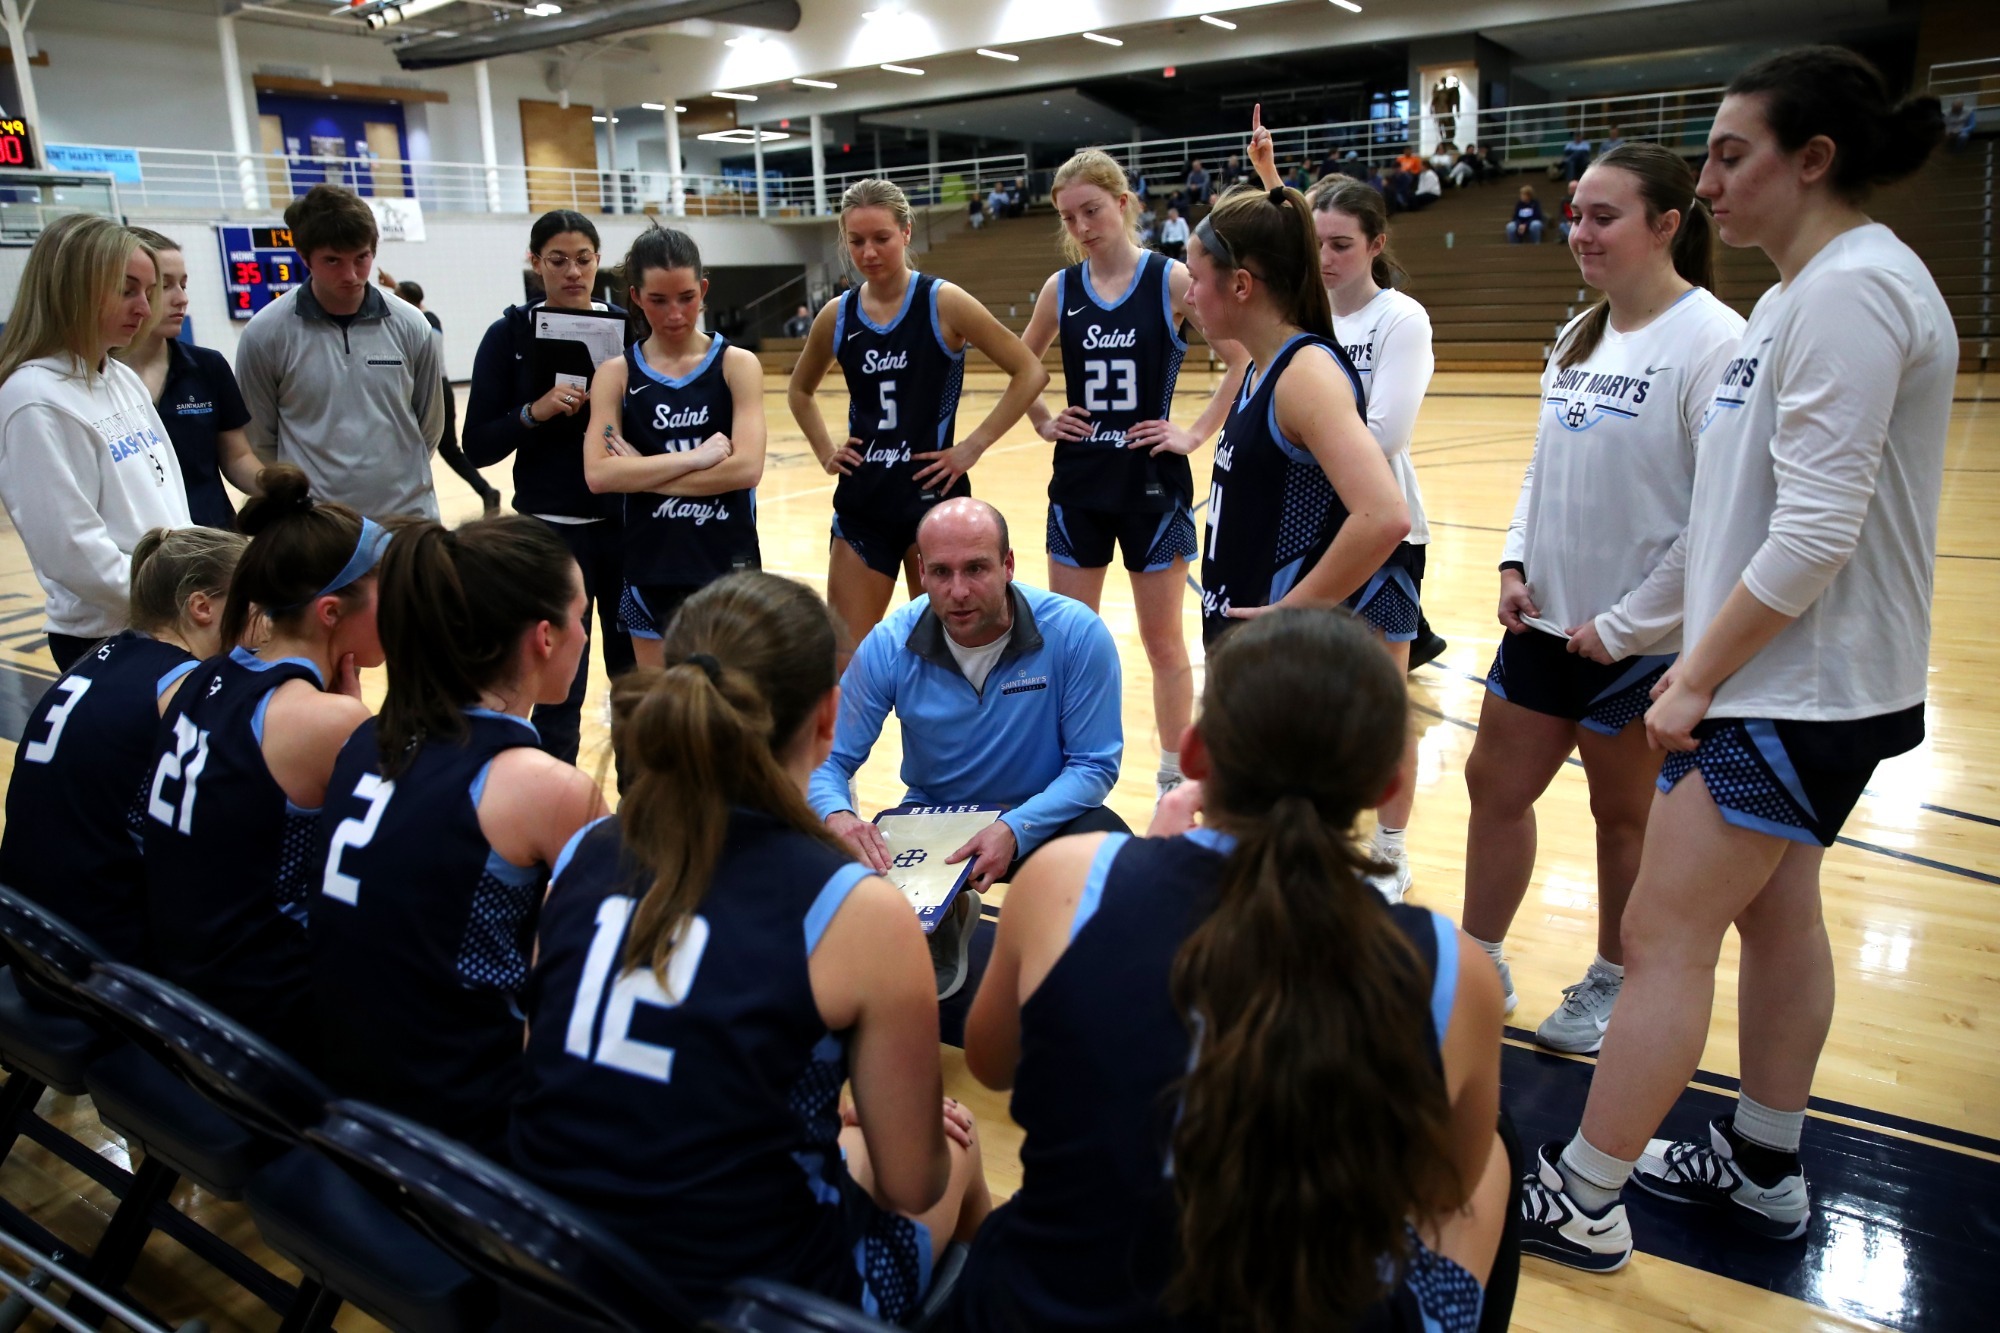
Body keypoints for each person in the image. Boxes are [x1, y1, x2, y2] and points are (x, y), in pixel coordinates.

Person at [1520, 46, 1956, 1273]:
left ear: (1810, 159)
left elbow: (1815, 528)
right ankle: (1762, 1166)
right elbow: (1732, 510)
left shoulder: (1852, 291)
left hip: (1789, 690)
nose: (1705, 181)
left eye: (1728, 153)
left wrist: (1696, 673)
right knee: (1776, 919)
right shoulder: (1793, 296)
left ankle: (1585, 1193)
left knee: (1661, 932)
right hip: (1789, 685)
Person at [957, 608, 1514, 1333]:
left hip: (1038, 1309)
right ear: (1387, 786)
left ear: (1192, 753)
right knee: (1494, 1152)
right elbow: (1438, 1186)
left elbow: (993, 1064)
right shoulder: (1450, 966)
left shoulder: (1068, 878)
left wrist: (1137, 866)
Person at [509, 572, 991, 1319]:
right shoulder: (859, 910)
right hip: (746, 1305)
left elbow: (552, 1061)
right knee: (960, 1154)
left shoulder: (583, 849)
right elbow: (911, 1184)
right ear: (829, 718)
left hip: (552, 1266)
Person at [1462, 144, 1744, 1053]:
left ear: (1668, 224)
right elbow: (1547, 465)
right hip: (1546, 623)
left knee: (1621, 819)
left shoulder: (1715, 341)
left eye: (1602, 216)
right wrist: (1513, 561)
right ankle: (1479, 959)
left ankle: (1613, 978)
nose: (1579, 232)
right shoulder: (1580, 333)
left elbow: (1716, 519)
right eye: (1576, 214)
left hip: (1642, 646)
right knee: (1492, 787)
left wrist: (1626, 625)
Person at [312, 516, 604, 1153]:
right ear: (546, 638)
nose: (589, 633)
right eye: (583, 615)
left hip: (338, 1084)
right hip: (454, 1123)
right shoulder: (544, 788)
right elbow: (594, 983)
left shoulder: (363, 736)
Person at [808, 499, 1126, 1000]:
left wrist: (1013, 830)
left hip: (1040, 818)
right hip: (933, 823)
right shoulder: (890, 644)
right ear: (921, 571)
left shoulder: (1074, 634)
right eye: (941, 572)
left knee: (1111, 854)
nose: (957, 592)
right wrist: (837, 818)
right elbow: (826, 758)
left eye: (976, 569)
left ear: (1008, 566)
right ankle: (943, 914)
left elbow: (1093, 766)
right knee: (855, 935)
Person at [1249, 107, 1437, 903]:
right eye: (1317, 243)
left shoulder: (1400, 318)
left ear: (1377, 245)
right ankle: (1316, 840)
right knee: (1304, 701)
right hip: (1301, 532)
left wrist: (1308, 417)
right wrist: (1271, 184)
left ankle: (1390, 850)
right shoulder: (1307, 313)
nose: (1325, 258)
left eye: (1343, 245)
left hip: (1381, 531)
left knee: (1381, 706)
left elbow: (1388, 427)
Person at [141, 464, 387, 1056]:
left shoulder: (200, 678)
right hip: (259, 1013)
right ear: (331, 612)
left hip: (172, 982)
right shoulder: (325, 721)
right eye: (389, 589)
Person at [1020, 149, 1235, 802]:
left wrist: (1194, 432)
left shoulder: (1170, 280)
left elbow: (1245, 356)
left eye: (1092, 210)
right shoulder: (1062, 289)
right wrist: (1042, 417)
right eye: (1070, 216)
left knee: (1164, 643)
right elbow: (1021, 361)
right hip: (1080, 483)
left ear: (1123, 203)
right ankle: (1073, 774)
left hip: (1152, 486)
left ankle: (1175, 777)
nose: (1082, 225)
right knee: (1072, 641)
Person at [787, 178, 1047, 658]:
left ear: (906, 232)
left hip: (934, 503)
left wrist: (973, 446)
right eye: (856, 240)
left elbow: (1029, 372)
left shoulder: (942, 301)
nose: (868, 252)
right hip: (865, 501)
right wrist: (826, 450)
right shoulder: (837, 315)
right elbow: (800, 390)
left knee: (944, 657)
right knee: (844, 659)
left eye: (881, 238)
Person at [0, 527, 245, 965]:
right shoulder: (186, 688)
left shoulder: (98, 656)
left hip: (24, 921)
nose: (261, 618)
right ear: (202, 607)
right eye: (249, 601)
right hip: (95, 949)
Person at [1188, 185, 1409, 650]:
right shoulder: (1258, 366)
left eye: (1196, 279)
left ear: (1241, 285)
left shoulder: (1305, 377)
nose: (1189, 296)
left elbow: (1384, 516)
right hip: (1239, 636)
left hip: (1285, 653)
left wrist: (1291, 612)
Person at [463, 210, 634, 766]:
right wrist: (531, 414)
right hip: (552, 536)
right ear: (535, 263)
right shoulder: (509, 333)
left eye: (583, 259)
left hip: (626, 529)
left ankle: (645, 814)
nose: (572, 272)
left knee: (636, 681)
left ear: (598, 260)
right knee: (558, 690)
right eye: (557, 260)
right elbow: (477, 445)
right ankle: (550, 820)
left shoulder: (630, 327)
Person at [0, 217, 189, 673]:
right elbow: (75, 552)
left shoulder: (120, 377)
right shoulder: (34, 398)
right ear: (72, 290)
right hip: (109, 635)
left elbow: (167, 495)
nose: (145, 309)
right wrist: (179, 594)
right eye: (127, 290)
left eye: (149, 291)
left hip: (169, 617)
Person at [584, 226, 766, 668]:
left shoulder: (737, 365)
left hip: (729, 564)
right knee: (664, 716)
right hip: (652, 567)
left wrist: (645, 474)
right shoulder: (616, 373)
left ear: (703, 289)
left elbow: (745, 470)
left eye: (686, 297)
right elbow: (599, 474)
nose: (675, 313)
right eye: (659, 300)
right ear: (636, 296)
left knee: (733, 710)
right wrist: (696, 458)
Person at [234, 184, 446, 519]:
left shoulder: (411, 324)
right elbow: (260, 439)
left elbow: (430, 425)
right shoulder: (264, 334)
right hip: (316, 527)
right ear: (304, 258)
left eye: (361, 258)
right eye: (332, 260)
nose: (350, 275)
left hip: (407, 520)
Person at [113, 229, 262, 531]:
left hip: (214, 540)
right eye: (165, 286)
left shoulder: (208, 366)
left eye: (183, 284)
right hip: (139, 551)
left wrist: (274, 484)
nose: (182, 299)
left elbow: (237, 456)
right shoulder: (97, 377)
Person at [396, 278, 503, 517]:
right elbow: (410, 299)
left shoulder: (417, 322)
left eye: (397, 295)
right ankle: (486, 490)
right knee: (447, 449)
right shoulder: (429, 318)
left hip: (430, 389)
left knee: (427, 449)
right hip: (440, 387)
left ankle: (413, 506)